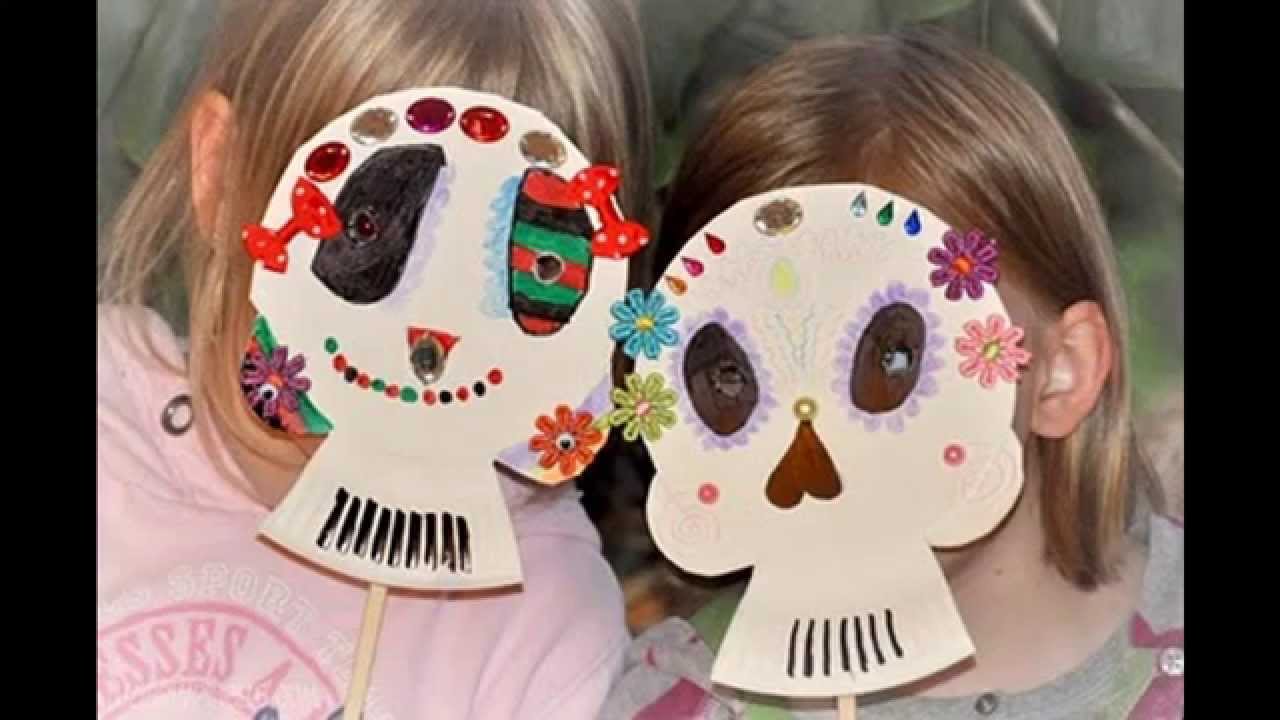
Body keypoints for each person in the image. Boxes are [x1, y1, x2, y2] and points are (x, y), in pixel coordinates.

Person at [97, 1, 652, 718]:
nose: (431, 335)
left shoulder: (543, 624)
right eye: (367, 226)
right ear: (222, 174)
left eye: (534, 262)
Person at [605, 30, 1182, 720]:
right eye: (736, 374)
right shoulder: (684, 704)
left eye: (893, 359)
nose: (818, 449)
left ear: (1061, 372)